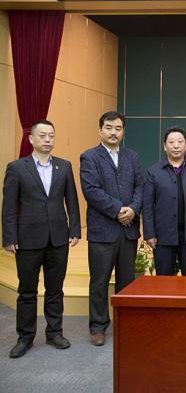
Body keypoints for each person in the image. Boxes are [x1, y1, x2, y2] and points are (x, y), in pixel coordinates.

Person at [2, 120, 81, 358]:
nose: (47, 140)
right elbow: (8, 206)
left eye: (51, 136)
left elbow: (72, 201)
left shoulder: (64, 166)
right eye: (43, 135)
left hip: (58, 238)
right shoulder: (17, 168)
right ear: (31, 139)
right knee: (27, 290)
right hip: (27, 239)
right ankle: (25, 337)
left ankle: (54, 332)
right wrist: (9, 236)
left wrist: (74, 230)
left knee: (55, 289)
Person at [80, 111, 143, 346]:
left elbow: (140, 187)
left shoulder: (132, 157)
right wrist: (118, 210)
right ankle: (98, 327)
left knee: (126, 280)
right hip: (102, 231)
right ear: (100, 130)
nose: (113, 132)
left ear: (123, 131)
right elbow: (91, 191)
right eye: (109, 128)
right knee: (99, 281)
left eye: (118, 128)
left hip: (128, 230)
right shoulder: (89, 157)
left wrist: (133, 209)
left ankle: (125, 323)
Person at [142, 127, 186, 276]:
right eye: (171, 142)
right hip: (163, 236)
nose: (176, 146)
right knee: (164, 280)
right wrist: (150, 234)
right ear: (165, 146)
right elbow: (147, 206)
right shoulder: (154, 172)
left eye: (180, 142)